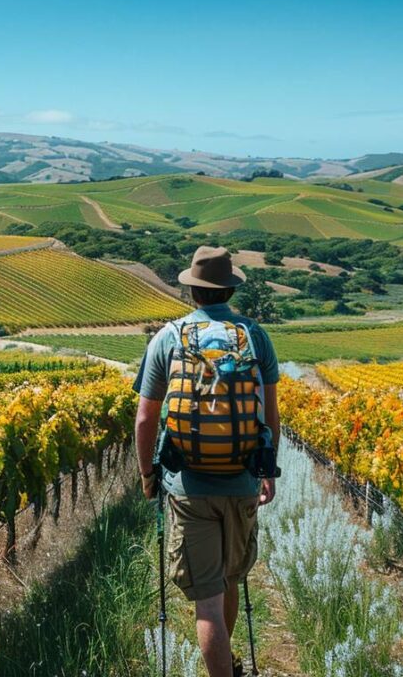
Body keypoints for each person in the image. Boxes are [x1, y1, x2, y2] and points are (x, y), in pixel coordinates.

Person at [134, 245, 280, 677]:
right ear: (230, 290)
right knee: (231, 579)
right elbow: (270, 414)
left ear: (192, 291)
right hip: (242, 483)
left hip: (189, 487)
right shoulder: (255, 336)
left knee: (207, 604)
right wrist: (268, 471)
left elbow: (145, 417)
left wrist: (147, 475)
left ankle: (221, 668)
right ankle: (227, 662)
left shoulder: (169, 337)